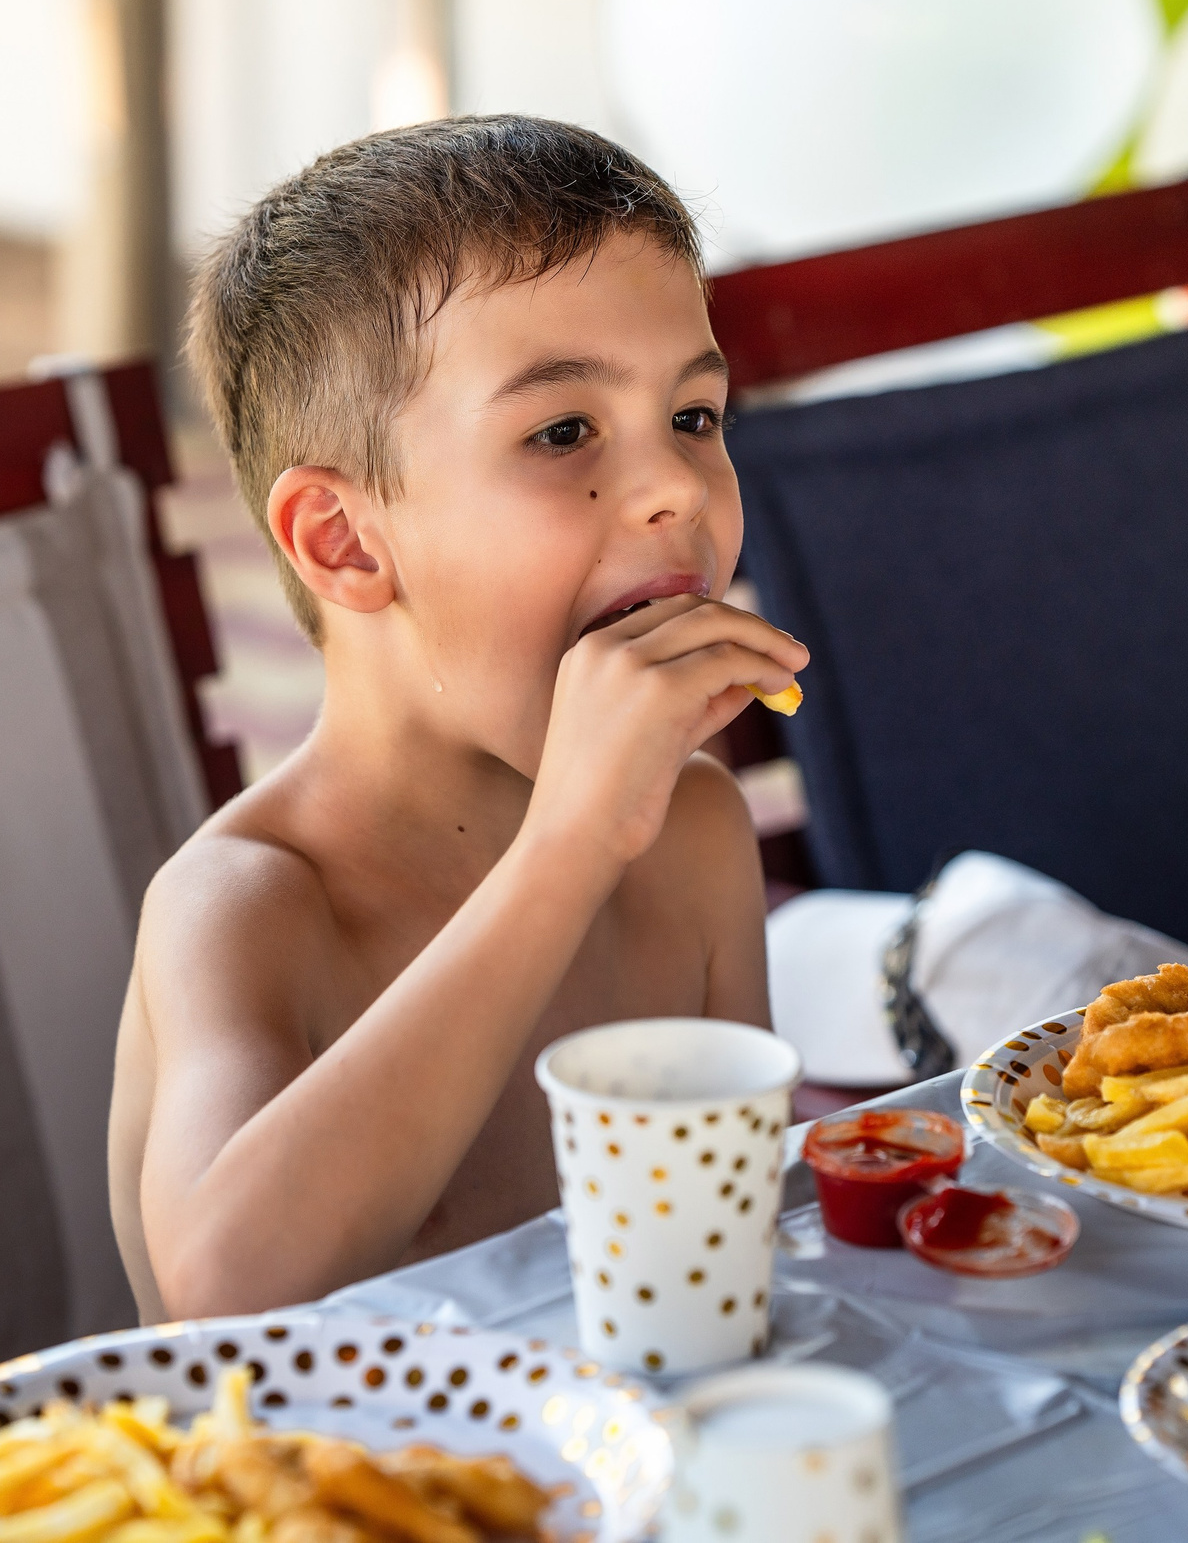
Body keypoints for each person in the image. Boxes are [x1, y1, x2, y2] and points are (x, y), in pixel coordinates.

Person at [107, 117, 806, 1321]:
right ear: (345, 539)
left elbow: (735, 1256)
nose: (677, 490)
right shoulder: (248, 899)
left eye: (694, 417)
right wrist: (566, 851)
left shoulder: (691, 832)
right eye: (562, 432)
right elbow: (228, 1286)